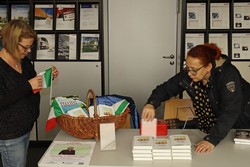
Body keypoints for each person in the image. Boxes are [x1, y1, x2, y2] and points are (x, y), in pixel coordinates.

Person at [141, 43, 250, 153]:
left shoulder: (228, 75)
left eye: (193, 69)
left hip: (238, 126)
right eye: (187, 67)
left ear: (208, 67)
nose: (189, 73)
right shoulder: (190, 73)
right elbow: (165, 89)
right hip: (212, 128)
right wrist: (151, 104)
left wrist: (212, 139)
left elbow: (230, 111)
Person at [0, 20, 59, 167]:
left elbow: (33, 85)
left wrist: (47, 77)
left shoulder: (24, 60)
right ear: (11, 41)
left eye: (30, 46)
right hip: (10, 133)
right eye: (25, 47)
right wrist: (28, 85)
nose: (29, 51)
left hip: (26, 127)